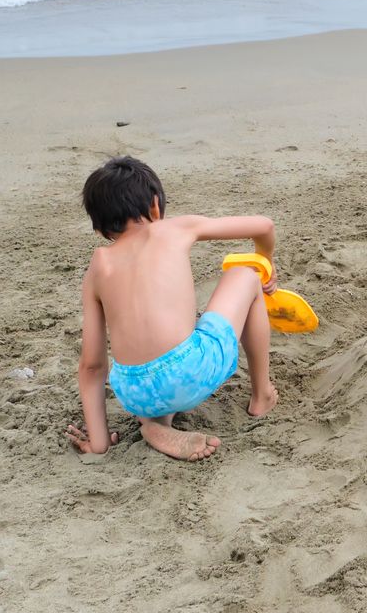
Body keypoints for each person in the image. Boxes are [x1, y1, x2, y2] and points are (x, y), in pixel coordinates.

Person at [68, 155, 278, 461]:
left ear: (100, 230)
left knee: (151, 367)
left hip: (134, 392)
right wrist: (266, 261)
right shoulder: (173, 228)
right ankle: (262, 396)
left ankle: (154, 422)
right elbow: (264, 226)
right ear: (155, 206)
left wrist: (98, 443)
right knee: (245, 275)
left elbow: (92, 367)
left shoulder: (98, 267)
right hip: (189, 370)